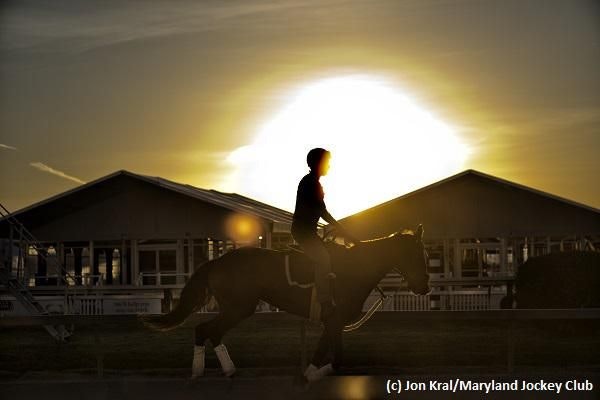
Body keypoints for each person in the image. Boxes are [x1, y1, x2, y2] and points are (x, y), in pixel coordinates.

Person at [291, 148, 357, 320]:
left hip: (308, 232)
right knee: (324, 259)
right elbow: (323, 212)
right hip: (304, 233)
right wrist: (342, 229)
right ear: (318, 163)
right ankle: (325, 301)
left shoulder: (313, 182)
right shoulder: (311, 184)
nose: (329, 166)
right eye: (326, 162)